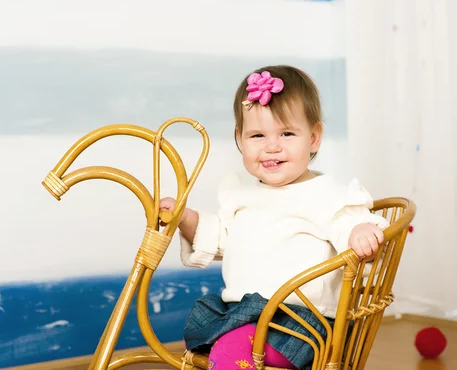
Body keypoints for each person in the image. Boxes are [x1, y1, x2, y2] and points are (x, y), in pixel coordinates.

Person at [159, 65, 389, 369]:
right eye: (257, 135)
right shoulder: (242, 195)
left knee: (231, 349)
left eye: (287, 133)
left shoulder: (327, 195)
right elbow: (220, 239)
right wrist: (185, 218)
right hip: (245, 314)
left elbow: (348, 224)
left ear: (314, 138)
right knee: (224, 339)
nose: (271, 146)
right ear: (240, 139)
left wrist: (360, 231)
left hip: (301, 324)